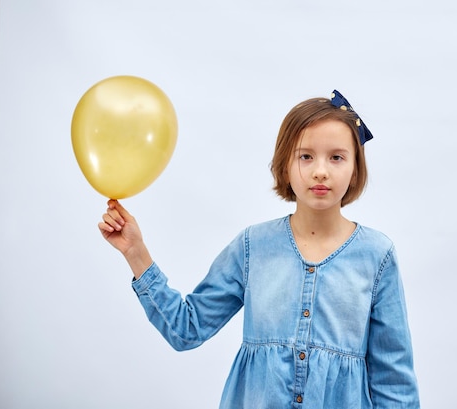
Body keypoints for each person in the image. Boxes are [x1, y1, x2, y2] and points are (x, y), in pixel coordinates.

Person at [99, 90, 420, 408]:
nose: (320, 170)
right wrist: (135, 253)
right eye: (305, 156)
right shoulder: (253, 247)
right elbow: (187, 329)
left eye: (336, 157)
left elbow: (394, 381)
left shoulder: (376, 255)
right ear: (285, 166)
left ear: (354, 169)